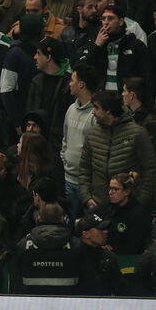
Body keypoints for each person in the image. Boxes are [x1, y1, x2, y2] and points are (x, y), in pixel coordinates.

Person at [79, 90, 156, 209]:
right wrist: (86, 197)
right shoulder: (92, 133)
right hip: (97, 204)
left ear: (108, 111)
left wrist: (140, 202)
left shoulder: (137, 134)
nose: (93, 112)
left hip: (127, 206)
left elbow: (150, 170)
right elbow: (84, 168)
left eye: (96, 107)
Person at [77, 3, 152, 92]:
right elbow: (81, 69)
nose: (105, 22)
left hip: (126, 97)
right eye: (103, 18)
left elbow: (146, 75)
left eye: (110, 18)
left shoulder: (135, 45)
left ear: (120, 21)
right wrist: (96, 46)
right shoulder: (96, 43)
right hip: (102, 96)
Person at [12, 202, 83, 295]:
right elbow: (85, 277)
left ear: (39, 218)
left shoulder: (23, 245)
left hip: (31, 302)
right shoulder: (76, 245)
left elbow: (16, 277)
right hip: (67, 304)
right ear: (63, 219)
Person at [61, 63, 99, 219]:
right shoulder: (70, 109)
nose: (70, 84)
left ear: (81, 84)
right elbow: (65, 139)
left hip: (87, 184)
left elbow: (98, 150)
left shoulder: (96, 114)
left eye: (72, 80)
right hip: (68, 178)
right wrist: (65, 159)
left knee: (89, 224)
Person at [27, 37, 73, 153]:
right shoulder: (36, 81)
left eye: (38, 53)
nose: (34, 57)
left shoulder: (69, 84)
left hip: (58, 146)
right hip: (36, 144)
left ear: (48, 57)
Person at [95, 171, 150, 255]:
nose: (110, 192)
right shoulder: (106, 203)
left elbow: (134, 246)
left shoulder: (138, 214)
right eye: (110, 188)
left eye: (115, 189)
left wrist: (111, 250)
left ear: (127, 192)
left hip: (124, 259)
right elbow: (90, 220)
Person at [74, 213, 125, 296]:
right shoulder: (73, 257)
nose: (106, 231)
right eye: (100, 229)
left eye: (105, 228)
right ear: (86, 234)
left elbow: (120, 289)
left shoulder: (109, 257)